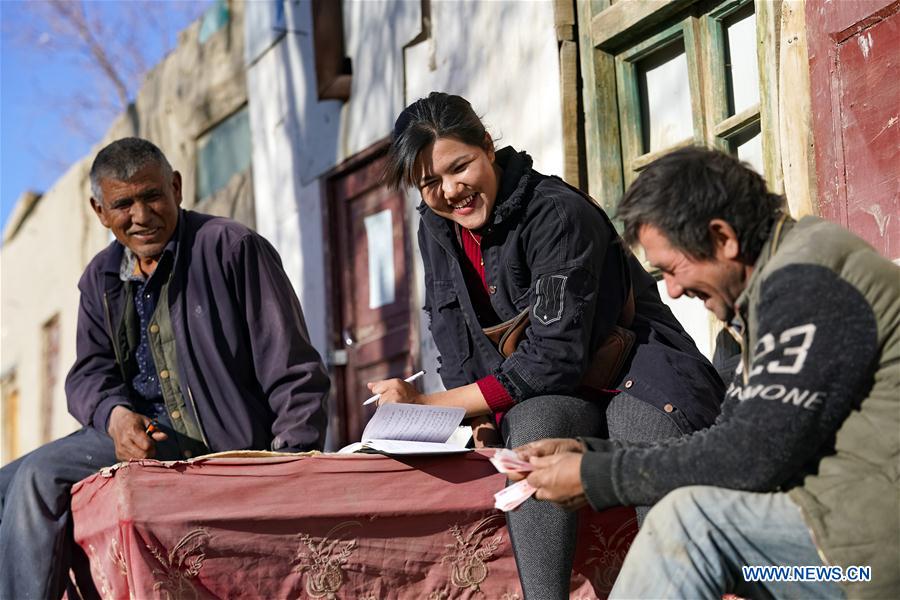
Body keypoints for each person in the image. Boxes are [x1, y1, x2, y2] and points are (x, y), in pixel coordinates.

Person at [371, 92, 724, 599]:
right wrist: (480, 416)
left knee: (642, 437)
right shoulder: (437, 227)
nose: (451, 191)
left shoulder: (555, 213)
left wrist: (430, 405)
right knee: (534, 433)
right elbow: (452, 329)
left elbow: (551, 357)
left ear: (488, 147)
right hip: (558, 391)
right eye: (430, 183)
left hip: (638, 368)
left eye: (460, 166)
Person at [516, 146, 899, 598]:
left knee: (688, 524)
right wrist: (587, 451)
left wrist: (594, 474)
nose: (673, 291)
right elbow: (732, 438)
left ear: (723, 238)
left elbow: (749, 458)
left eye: (673, 269)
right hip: (818, 553)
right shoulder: (767, 294)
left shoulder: (809, 282)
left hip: (856, 566)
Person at [0, 137, 330, 599]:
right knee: (5, 486)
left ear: (176, 187)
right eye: (123, 204)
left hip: (220, 440)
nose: (141, 215)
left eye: (152, 195)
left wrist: (289, 468)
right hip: (138, 437)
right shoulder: (100, 276)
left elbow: (293, 368)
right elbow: (88, 373)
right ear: (100, 212)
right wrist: (116, 417)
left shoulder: (231, 247)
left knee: (37, 477)